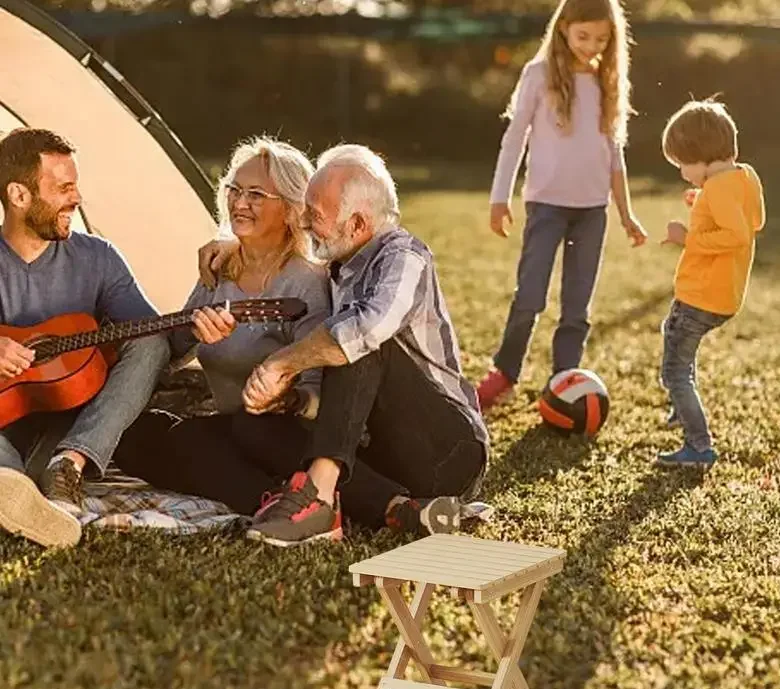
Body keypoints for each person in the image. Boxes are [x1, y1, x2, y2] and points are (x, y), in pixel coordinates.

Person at [201, 144, 489, 546]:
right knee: (253, 428)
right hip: (379, 450)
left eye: (314, 215)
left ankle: (318, 499)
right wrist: (293, 402)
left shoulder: (405, 258)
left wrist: (281, 364)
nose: (303, 221)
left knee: (355, 339)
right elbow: (345, 399)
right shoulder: (337, 266)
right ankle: (398, 509)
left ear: (356, 224)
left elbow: (363, 334)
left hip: (445, 452)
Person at [113, 137, 331, 512]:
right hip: (230, 427)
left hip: (281, 433)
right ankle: (245, 483)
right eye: (235, 189)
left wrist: (281, 397)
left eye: (257, 195)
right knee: (133, 436)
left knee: (191, 442)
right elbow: (175, 350)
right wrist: (192, 332)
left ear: (293, 209)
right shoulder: (220, 268)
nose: (240, 203)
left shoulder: (306, 282)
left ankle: (271, 500)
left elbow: (318, 392)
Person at [0, 128, 169, 548]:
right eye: (63, 188)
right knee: (8, 477)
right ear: (19, 196)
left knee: (152, 342)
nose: (76, 199)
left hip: (70, 424)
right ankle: (21, 495)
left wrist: (205, 320)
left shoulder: (98, 258)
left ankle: (65, 471)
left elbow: (155, 345)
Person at [476, 0, 647, 411]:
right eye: (583, 36)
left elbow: (615, 155)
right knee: (530, 296)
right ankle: (505, 372)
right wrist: (500, 198)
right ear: (564, 29)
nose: (592, 46)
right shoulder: (538, 75)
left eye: (602, 39)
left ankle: (563, 381)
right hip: (546, 206)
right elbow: (514, 139)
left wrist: (626, 213)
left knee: (577, 306)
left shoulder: (608, 81)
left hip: (593, 212)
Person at [656, 99, 765, 467]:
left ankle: (698, 446)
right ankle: (684, 409)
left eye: (683, 166)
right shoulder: (743, 176)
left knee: (674, 370)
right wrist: (702, 199)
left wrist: (686, 237)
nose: (683, 173)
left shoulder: (718, 189)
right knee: (672, 339)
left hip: (701, 296)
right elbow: (752, 219)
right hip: (724, 296)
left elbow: (736, 235)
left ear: (699, 156)